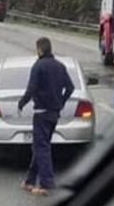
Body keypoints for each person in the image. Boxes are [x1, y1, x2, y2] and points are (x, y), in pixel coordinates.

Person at [18, 37, 75, 196]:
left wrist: (21, 103)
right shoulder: (60, 66)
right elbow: (70, 87)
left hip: (41, 112)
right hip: (54, 114)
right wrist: (61, 102)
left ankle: (46, 183)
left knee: (41, 148)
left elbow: (31, 89)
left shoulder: (38, 66)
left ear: (40, 49)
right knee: (40, 146)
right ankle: (30, 180)